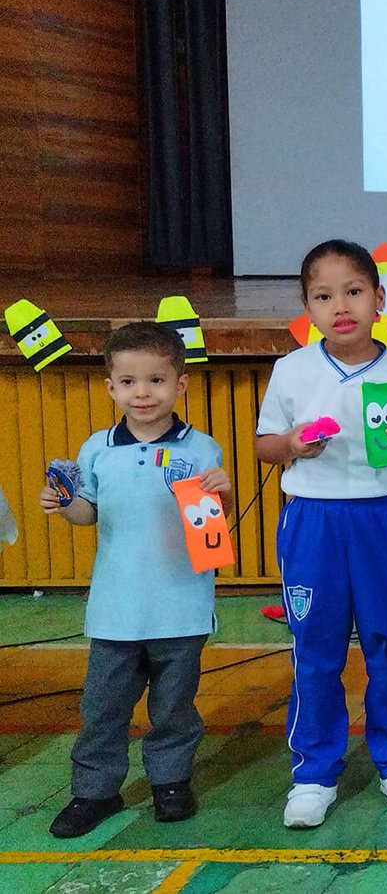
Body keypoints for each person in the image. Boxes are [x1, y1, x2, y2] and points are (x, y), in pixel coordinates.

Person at [254, 239, 387, 829]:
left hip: (384, 519)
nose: (341, 305)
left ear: (379, 299)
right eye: (324, 295)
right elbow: (264, 446)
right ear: (306, 307)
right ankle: (312, 772)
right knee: (316, 650)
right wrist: (290, 445)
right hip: (313, 520)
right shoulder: (291, 370)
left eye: (354, 291)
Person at [40, 321, 232, 837]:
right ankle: (94, 792)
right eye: (128, 382)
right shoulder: (96, 449)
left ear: (181, 383)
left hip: (182, 606)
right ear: (110, 387)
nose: (142, 392)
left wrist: (222, 493)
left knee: (173, 707)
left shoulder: (202, 448)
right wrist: (65, 505)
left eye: (155, 380)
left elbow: (213, 522)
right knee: (103, 707)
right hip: (115, 609)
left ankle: (170, 783)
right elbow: (88, 515)